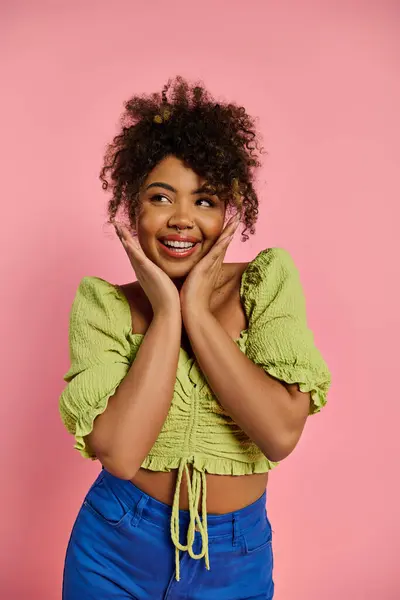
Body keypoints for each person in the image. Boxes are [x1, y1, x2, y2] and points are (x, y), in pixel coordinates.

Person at [59, 76, 331, 600]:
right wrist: (166, 312)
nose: (182, 219)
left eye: (204, 200)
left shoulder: (265, 281)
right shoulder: (103, 304)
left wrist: (198, 315)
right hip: (113, 546)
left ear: (229, 210)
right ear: (132, 207)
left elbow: (278, 434)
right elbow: (118, 453)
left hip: (235, 557)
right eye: (161, 197)